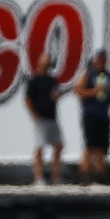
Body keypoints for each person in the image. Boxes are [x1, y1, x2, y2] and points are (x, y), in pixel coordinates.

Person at [75, 49, 110, 184]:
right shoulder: (89, 74)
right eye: (99, 60)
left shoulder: (109, 77)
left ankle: (101, 174)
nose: (101, 62)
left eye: (103, 60)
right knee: (90, 145)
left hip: (104, 114)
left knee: (102, 146)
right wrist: (94, 92)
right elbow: (78, 90)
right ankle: (84, 173)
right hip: (91, 114)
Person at [24, 52, 65, 185]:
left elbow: (55, 93)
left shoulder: (52, 80)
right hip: (41, 117)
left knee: (58, 145)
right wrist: (34, 114)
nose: (46, 65)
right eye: (44, 62)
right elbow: (27, 99)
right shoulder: (34, 80)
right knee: (40, 146)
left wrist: (57, 96)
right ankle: (39, 177)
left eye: (48, 62)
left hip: (52, 117)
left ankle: (56, 176)